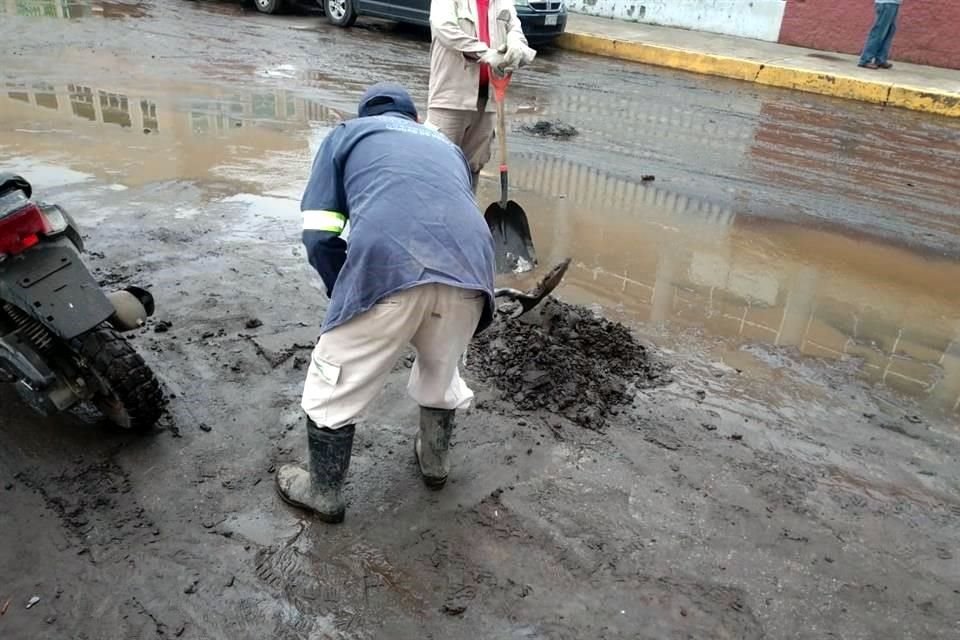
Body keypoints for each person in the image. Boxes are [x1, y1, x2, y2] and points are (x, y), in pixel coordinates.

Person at [275, 82, 497, 524]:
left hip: (390, 266)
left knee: (333, 380)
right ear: (414, 119)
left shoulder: (347, 134)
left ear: (366, 117)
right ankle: (434, 463)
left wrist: (345, 293)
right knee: (441, 369)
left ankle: (324, 492)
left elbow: (319, 234)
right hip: (473, 272)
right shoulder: (445, 145)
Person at [427, 0, 537, 192]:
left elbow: (515, 30)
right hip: (451, 99)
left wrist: (516, 47)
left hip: (489, 102)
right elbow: (444, 29)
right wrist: (485, 53)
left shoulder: (502, 3)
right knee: (438, 167)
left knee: (472, 169)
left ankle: (465, 210)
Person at [859, 0, 902, 70]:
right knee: (878, 32)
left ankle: (880, 59)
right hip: (886, 3)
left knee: (888, 32)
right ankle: (865, 60)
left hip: (893, 3)